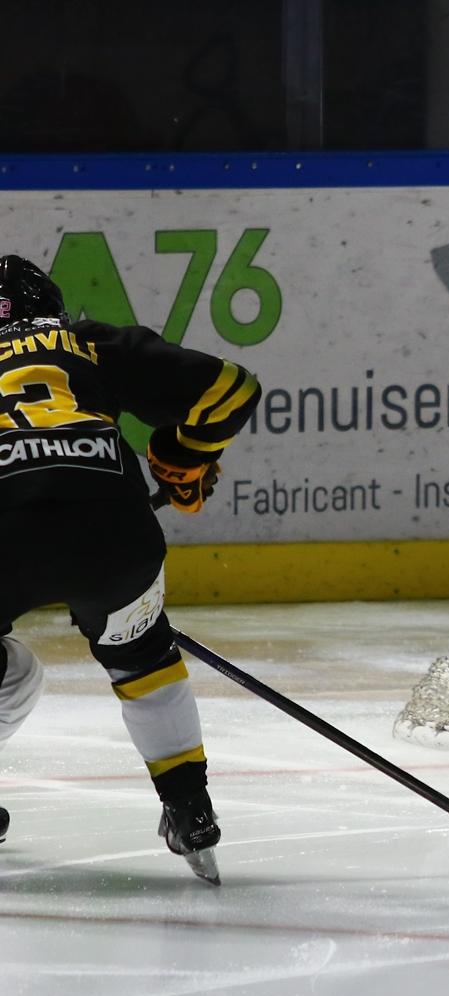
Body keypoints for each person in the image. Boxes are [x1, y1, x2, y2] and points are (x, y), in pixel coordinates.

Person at [0, 254, 262, 884]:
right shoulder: (87, 345)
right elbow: (234, 389)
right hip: (112, 530)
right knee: (142, 658)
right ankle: (189, 807)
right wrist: (182, 455)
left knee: (13, 676)